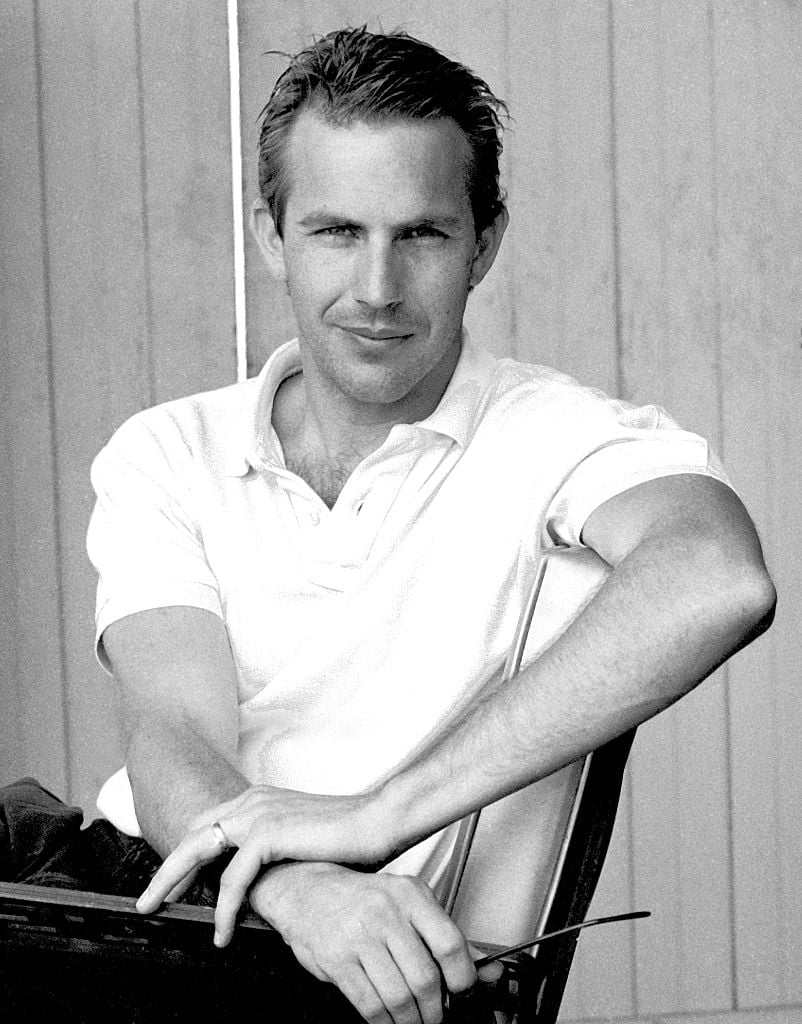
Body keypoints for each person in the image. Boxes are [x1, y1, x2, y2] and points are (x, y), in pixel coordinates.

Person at [42, 25, 774, 1024]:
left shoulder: (555, 435)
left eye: (421, 234)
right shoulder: (167, 450)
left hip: (363, 967)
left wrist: (376, 820)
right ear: (271, 237)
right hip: (149, 904)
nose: (378, 290)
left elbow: (718, 577)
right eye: (336, 232)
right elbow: (174, 734)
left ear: (484, 243)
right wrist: (296, 887)